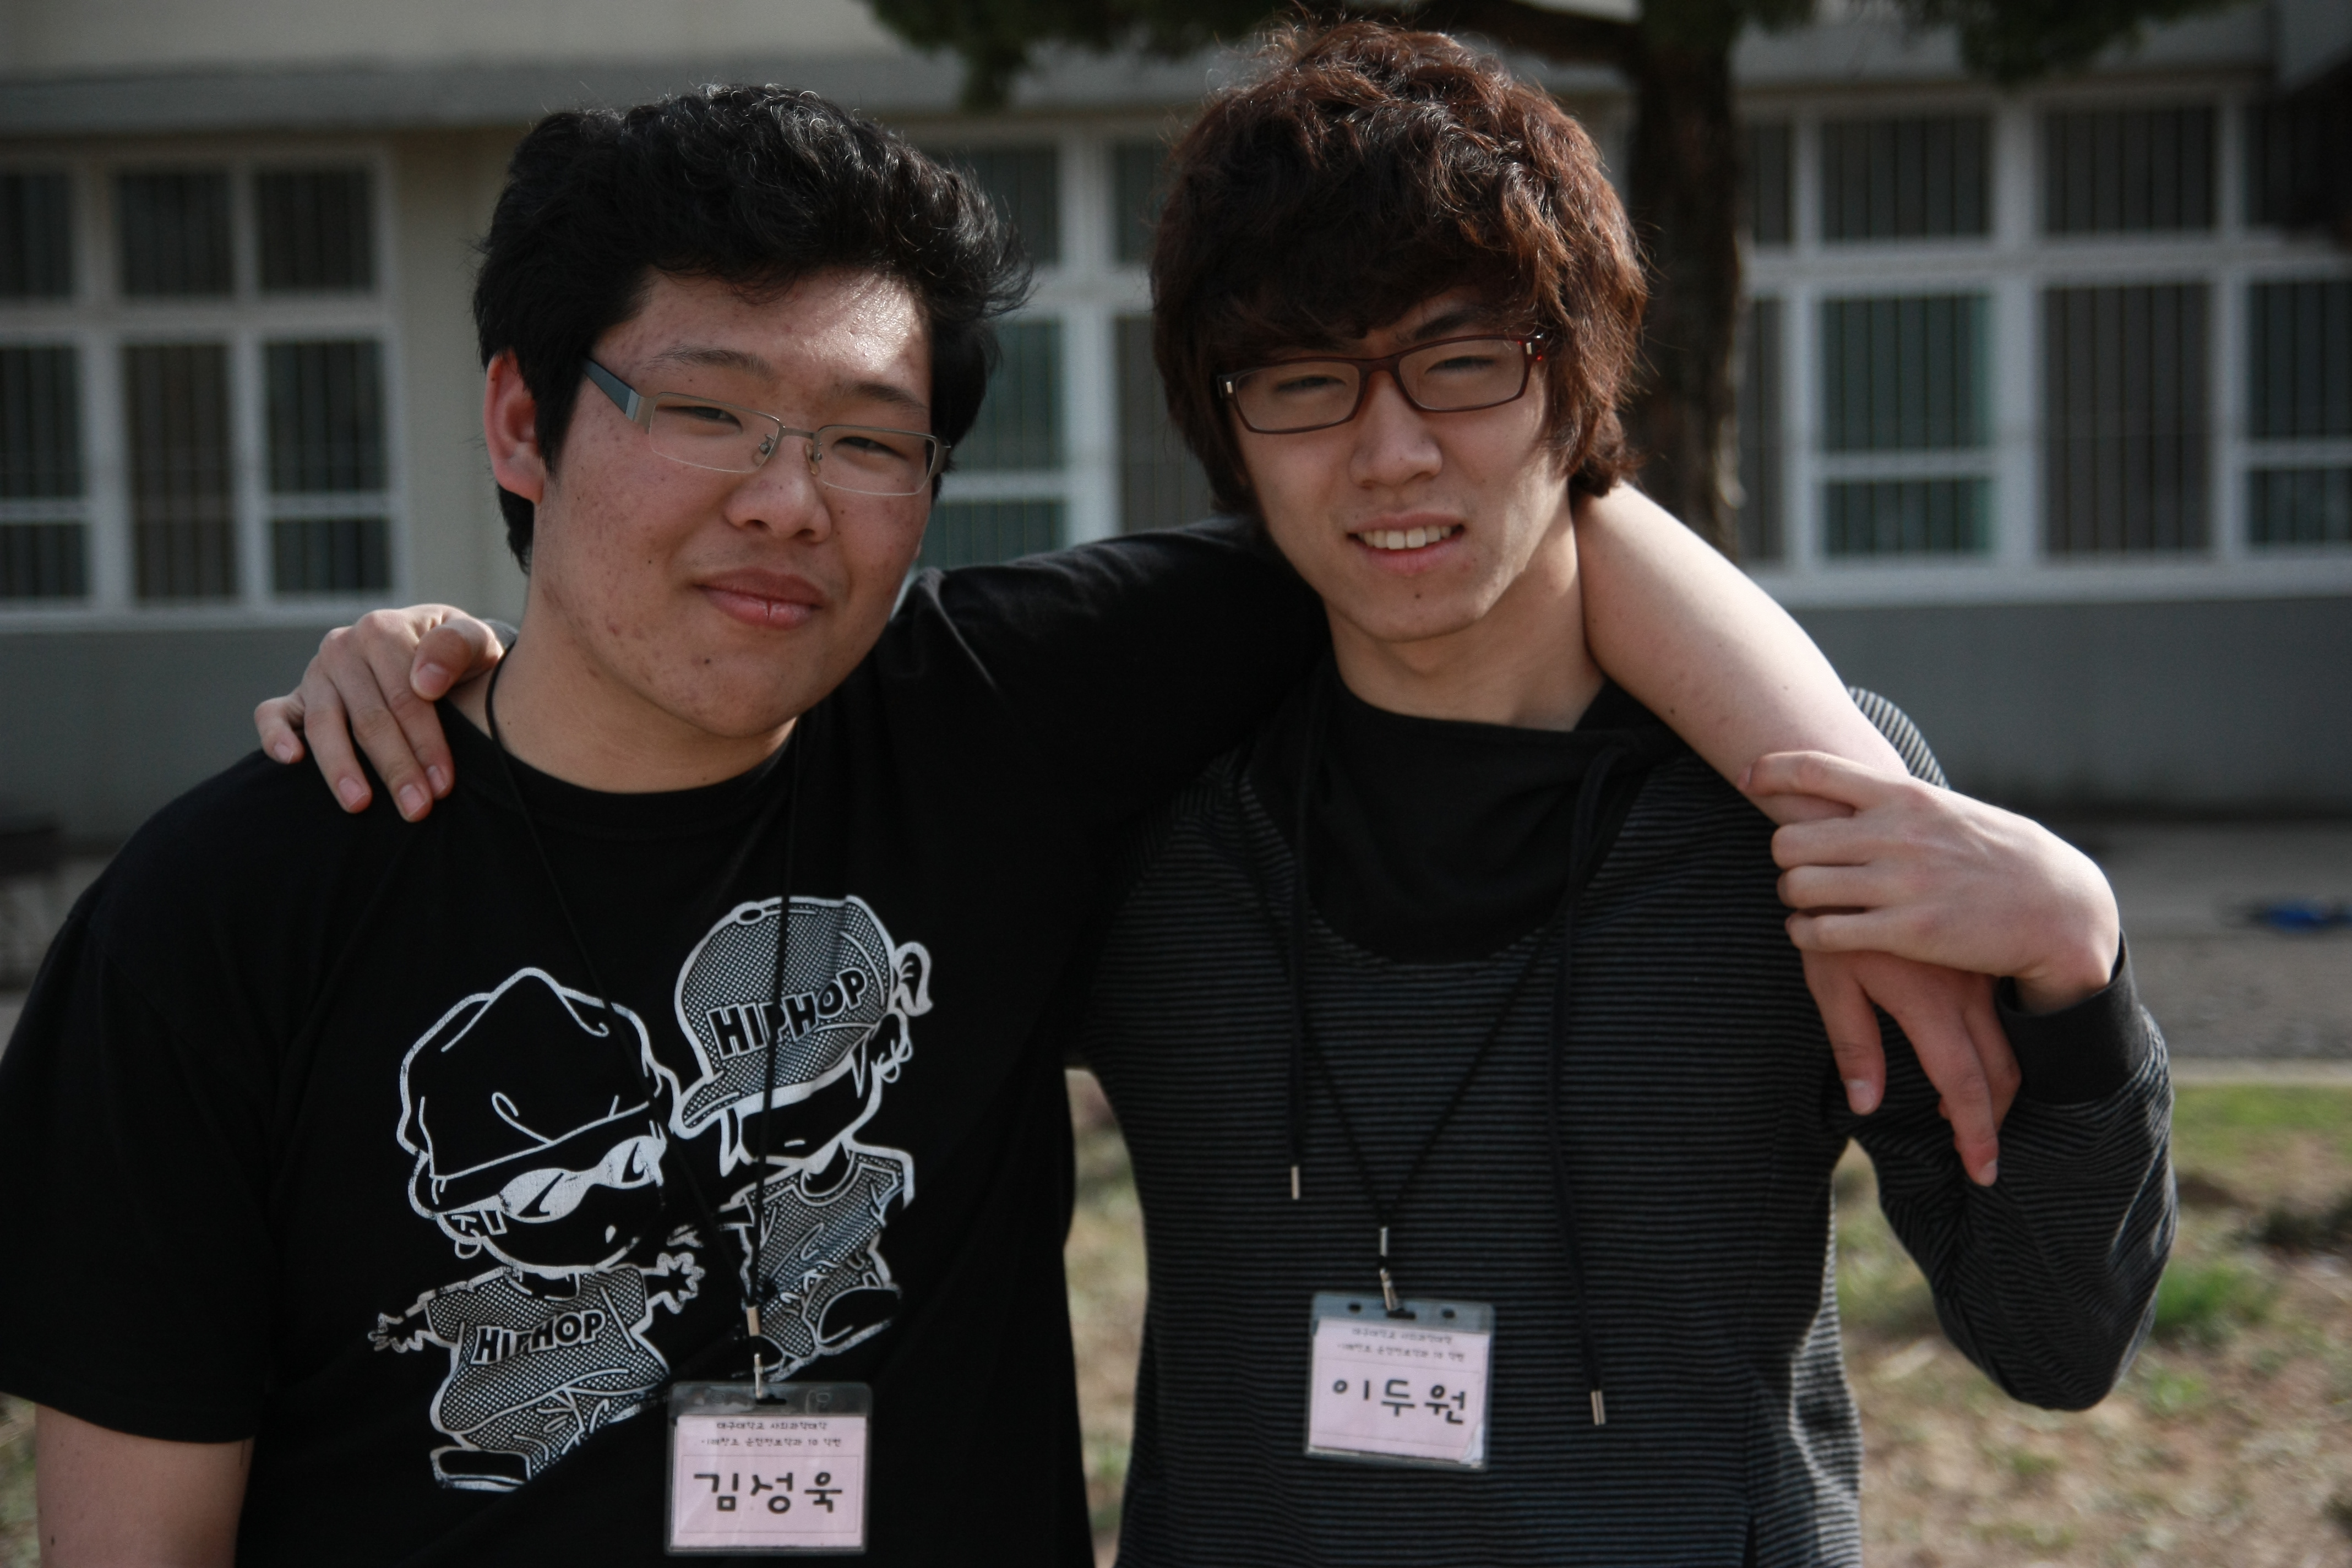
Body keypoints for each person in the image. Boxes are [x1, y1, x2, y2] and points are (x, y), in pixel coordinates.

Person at [0, 78, 1995, 1567]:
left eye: (869, 439)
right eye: (706, 409)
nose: (787, 498)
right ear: (523, 423)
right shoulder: (231, 910)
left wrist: (1859, 831)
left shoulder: (1001, 728)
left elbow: (1513, 515)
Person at [1056, 26, 2169, 1565]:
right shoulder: (1149, 813)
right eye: (1304, 384)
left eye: (1462, 364)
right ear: (1227, 433)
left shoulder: (1800, 810)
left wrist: (2074, 963)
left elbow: (2056, 1338)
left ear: (1576, 388)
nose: (1391, 452)